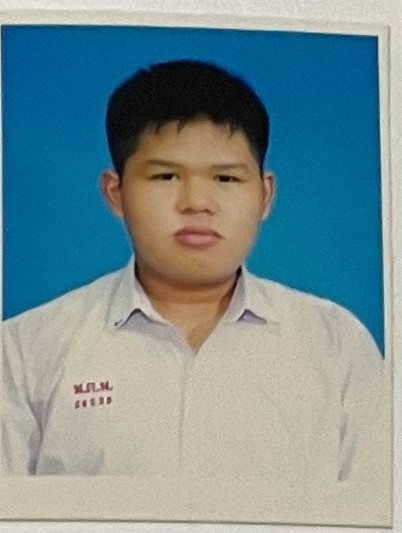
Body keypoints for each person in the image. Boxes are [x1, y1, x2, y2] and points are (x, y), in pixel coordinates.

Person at [1, 59, 390, 518]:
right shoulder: (26, 349)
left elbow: (380, 516)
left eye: (226, 178)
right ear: (116, 193)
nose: (197, 203)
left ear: (265, 195)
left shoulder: (337, 345)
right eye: (165, 176)